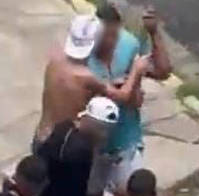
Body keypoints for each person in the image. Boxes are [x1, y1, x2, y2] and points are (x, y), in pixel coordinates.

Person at [87, 4, 172, 196]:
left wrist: (154, 33)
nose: (109, 43)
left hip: (125, 140)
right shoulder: (82, 54)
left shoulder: (130, 44)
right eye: (104, 37)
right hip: (94, 145)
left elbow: (162, 70)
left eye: (113, 36)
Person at [34, 14, 150, 150]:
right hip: (62, 144)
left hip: (42, 135)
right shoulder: (86, 76)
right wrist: (136, 70)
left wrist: (110, 84)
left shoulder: (54, 62)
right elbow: (122, 96)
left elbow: (71, 91)